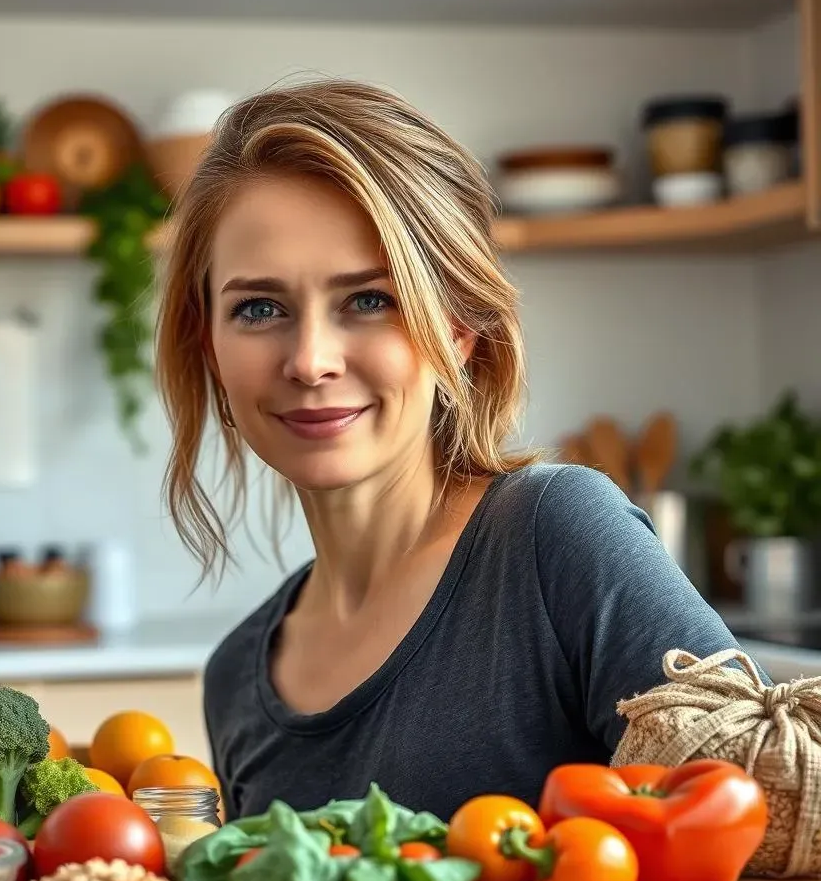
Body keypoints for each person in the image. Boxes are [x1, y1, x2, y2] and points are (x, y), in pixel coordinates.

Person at [154, 77, 745, 823]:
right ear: (209, 348)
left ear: (458, 331)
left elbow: (767, 819)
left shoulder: (556, 538)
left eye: (370, 300)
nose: (310, 360)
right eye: (259, 308)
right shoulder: (236, 677)